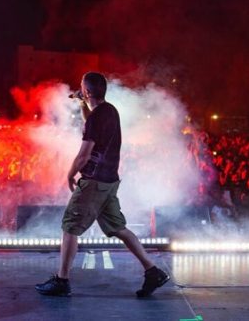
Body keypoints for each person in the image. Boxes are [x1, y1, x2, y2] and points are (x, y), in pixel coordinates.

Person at [35, 72, 170, 297]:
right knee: (118, 228)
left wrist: (70, 174)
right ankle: (153, 271)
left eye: (82, 88)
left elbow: (84, 155)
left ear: (87, 91)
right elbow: (91, 122)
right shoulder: (109, 111)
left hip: (94, 182)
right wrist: (82, 104)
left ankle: (62, 280)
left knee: (70, 227)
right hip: (109, 181)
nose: (80, 90)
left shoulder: (97, 117)